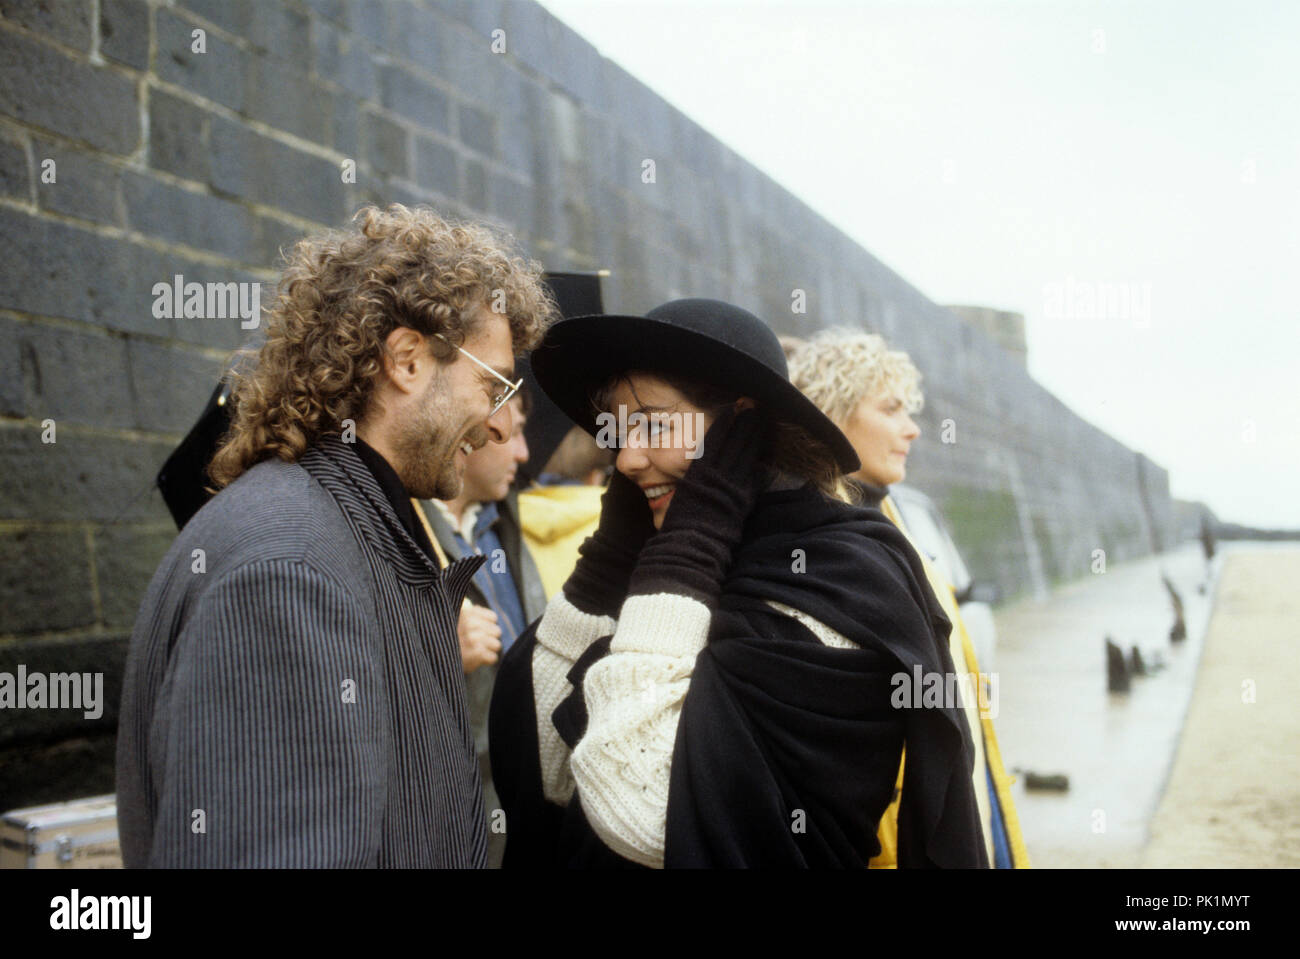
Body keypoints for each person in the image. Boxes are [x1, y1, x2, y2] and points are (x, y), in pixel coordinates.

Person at [115, 204, 556, 867]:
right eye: (492, 385)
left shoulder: (341, 531)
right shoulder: (290, 571)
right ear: (407, 359)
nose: (498, 423)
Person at [489, 298, 988, 868]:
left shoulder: (836, 579)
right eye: (619, 433)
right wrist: (604, 571)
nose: (626, 461)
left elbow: (645, 814)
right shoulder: (663, 564)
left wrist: (693, 539)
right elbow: (547, 770)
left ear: (741, 427)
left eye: (652, 424)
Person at [787, 327, 1029, 868]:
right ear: (832, 410)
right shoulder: (819, 543)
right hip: (890, 830)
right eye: (891, 409)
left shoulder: (894, 519)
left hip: (960, 785)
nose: (912, 429)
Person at [414, 390, 548, 868]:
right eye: (513, 432)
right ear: (469, 435)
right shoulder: (406, 537)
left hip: (526, 798)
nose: (522, 452)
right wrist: (438, 651)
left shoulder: (501, 522)